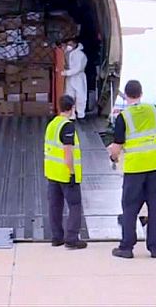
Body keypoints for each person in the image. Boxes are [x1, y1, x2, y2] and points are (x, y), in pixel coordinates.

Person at [108, 80, 156, 259]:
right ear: (141, 93)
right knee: (155, 207)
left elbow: (117, 145)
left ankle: (127, 247)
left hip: (135, 169)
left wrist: (113, 157)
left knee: (129, 208)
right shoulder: (153, 109)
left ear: (126, 95)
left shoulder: (123, 117)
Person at [44, 95, 87, 249]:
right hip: (65, 173)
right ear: (72, 108)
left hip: (52, 173)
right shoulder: (67, 126)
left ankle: (57, 237)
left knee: (55, 206)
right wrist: (72, 172)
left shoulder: (52, 124)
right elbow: (67, 151)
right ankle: (72, 239)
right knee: (75, 205)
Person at [62, 39, 88, 120]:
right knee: (69, 96)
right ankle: (71, 115)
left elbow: (78, 68)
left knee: (80, 97)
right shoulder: (67, 53)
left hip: (78, 78)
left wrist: (66, 73)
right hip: (70, 78)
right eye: (68, 44)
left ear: (75, 44)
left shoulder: (80, 54)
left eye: (71, 44)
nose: (69, 46)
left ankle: (81, 115)